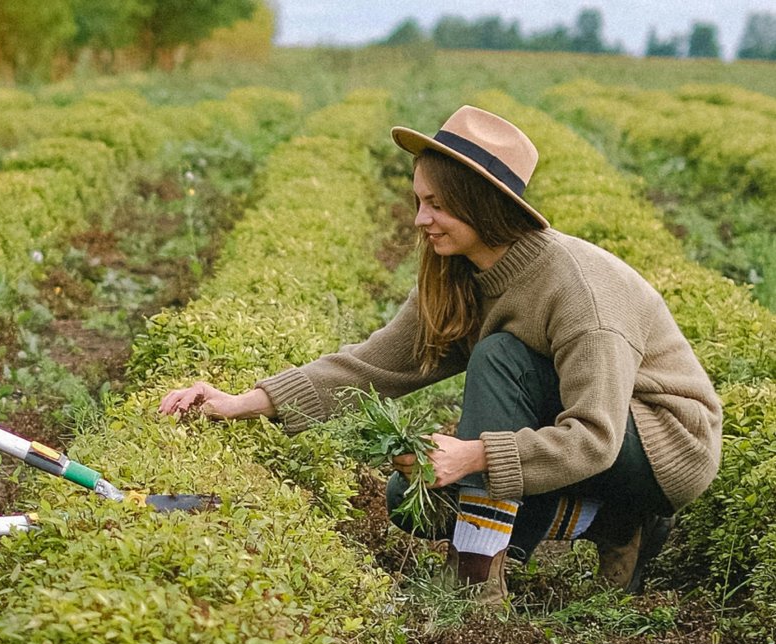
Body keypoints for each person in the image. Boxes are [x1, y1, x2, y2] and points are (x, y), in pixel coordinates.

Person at [159, 105, 722, 603]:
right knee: (410, 497)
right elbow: (375, 363)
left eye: (436, 205)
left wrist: (474, 456)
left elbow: (595, 437)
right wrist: (243, 403)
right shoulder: (462, 273)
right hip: (586, 437)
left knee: (499, 357)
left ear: (482, 206)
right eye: (418, 201)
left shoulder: (578, 293)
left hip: (658, 443)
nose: (419, 219)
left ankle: (476, 580)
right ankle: (615, 524)